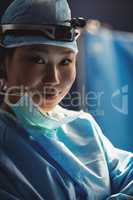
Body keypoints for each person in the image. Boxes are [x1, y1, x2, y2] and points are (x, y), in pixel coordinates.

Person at [0, 0, 132, 199]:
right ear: (3, 66)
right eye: (38, 60)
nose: (53, 79)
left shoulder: (84, 127)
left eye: (65, 61)